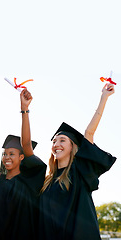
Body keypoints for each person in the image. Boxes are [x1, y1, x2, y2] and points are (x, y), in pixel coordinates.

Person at [21, 83, 116, 240]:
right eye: (54, 141)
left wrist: (104, 97)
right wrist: (25, 110)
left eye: (62, 140)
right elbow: (26, 147)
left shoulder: (81, 172)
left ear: (73, 147)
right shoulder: (46, 182)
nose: (56, 145)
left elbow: (89, 133)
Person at [0, 92, 46, 240]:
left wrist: (24, 110)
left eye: (11, 154)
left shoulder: (29, 182)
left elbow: (26, 144)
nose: (6, 157)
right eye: (5, 154)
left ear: (22, 157)